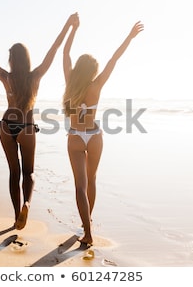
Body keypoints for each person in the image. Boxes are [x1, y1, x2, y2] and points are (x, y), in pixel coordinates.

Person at [0, 13, 78, 230]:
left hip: (7, 126)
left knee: (13, 173)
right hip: (27, 128)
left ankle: (16, 215)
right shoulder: (35, 76)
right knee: (29, 173)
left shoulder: (6, 77)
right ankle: (27, 203)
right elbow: (54, 49)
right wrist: (68, 25)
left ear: (12, 59)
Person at [62, 14, 144, 245]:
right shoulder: (96, 85)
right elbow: (114, 59)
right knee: (92, 179)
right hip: (95, 136)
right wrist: (130, 36)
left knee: (80, 185)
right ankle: (87, 224)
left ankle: (87, 232)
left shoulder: (69, 82)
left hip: (76, 137)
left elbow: (66, 55)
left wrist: (73, 28)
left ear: (78, 69)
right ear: (92, 71)